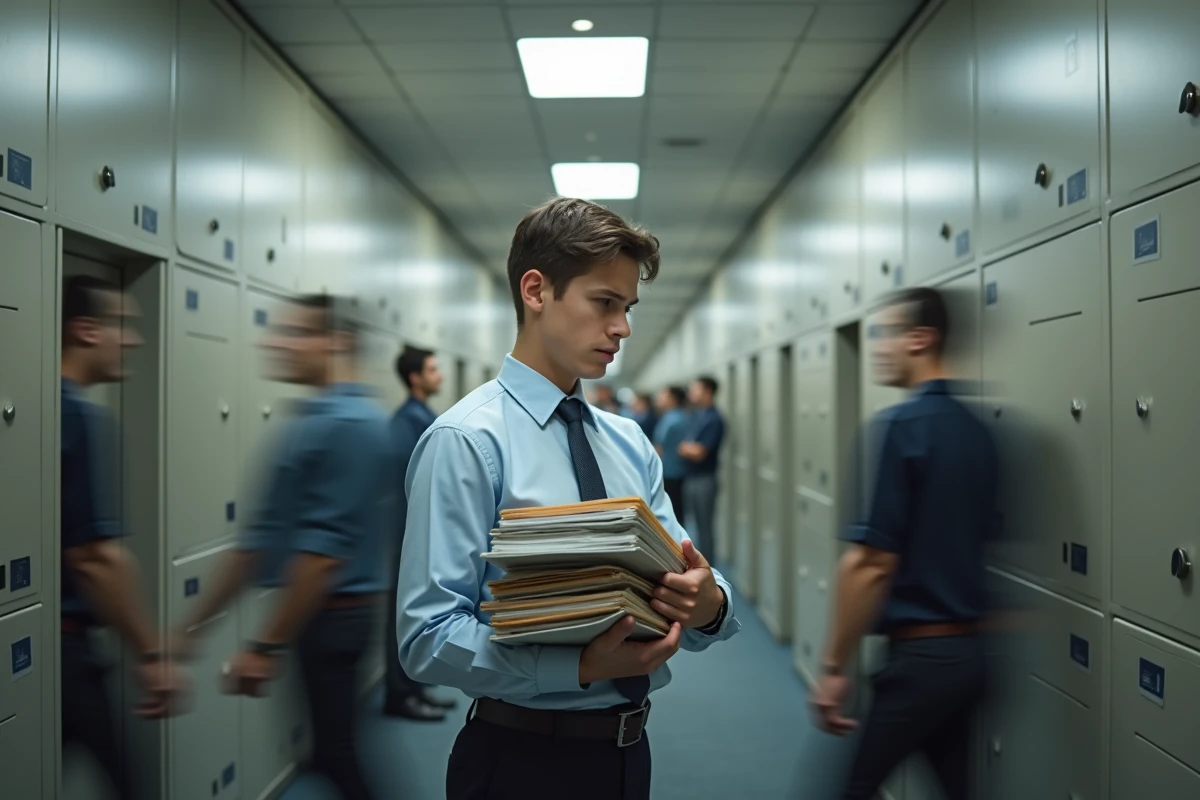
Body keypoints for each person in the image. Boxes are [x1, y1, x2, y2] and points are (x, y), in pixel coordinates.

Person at [396, 197, 740, 800]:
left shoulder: (629, 442)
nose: (623, 328)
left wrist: (709, 603)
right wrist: (574, 669)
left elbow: (687, 576)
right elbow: (426, 638)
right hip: (521, 759)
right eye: (604, 303)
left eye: (627, 308)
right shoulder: (467, 441)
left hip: (628, 756)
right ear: (536, 290)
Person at [174, 294, 392, 800]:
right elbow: (257, 544)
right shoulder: (318, 419)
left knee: (338, 756)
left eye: (296, 333)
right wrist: (191, 629)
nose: (275, 342)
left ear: (337, 343)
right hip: (322, 616)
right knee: (329, 752)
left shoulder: (349, 425)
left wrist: (264, 645)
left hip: (334, 617)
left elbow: (321, 557)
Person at [812, 287, 998, 800]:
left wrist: (832, 667)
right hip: (970, 657)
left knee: (850, 789)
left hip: (921, 661)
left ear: (922, 339)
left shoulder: (901, 427)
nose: (878, 346)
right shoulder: (977, 430)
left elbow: (870, 564)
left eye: (886, 334)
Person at [60, 276, 189, 799]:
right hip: (66, 651)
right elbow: (96, 557)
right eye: (123, 327)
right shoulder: (76, 414)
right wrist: (151, 652)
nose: (134, 339)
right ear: (86, 331)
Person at [384, 345, 457, 720]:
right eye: (432, 369)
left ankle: (417, 688)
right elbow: (405, 485)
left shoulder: (424, 416)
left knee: (422, 607)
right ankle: (400, 695)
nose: (439, 375)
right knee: (401, 613)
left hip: (424, 530)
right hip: (404, 534)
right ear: (415, 377)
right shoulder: (405, 420)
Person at [678, 376, 725, 559]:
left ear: (707, 392)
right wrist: (687, 448)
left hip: (705, 479)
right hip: (692, 477)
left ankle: (710, 572)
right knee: (695, 525)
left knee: (705, 526)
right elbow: (685, 447)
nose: (691, 393)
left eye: (695, 389)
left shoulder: (714, 419)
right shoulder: (698, 416)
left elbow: (698, 452)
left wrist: (687, 448)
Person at [652, 386, 690, 518]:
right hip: (671, 471)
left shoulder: (674, 420)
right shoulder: (673, 417)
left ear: (673, 399)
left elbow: (659, 447)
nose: (659, 398)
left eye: (663, 395)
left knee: (674, 513)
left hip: (672, 473)